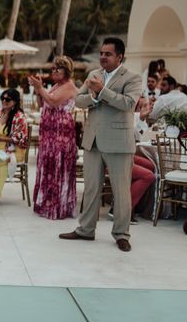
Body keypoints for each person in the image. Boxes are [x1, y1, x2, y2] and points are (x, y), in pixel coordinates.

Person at [59, 37, 141, 252]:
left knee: (121, 190)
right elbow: (78, 100)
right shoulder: (93, 75)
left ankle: (121, 234)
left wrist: (102, 91)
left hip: (119, 143)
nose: (103, 57)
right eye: (102, 53)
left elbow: (129, 104)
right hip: (93, 140)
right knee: (91, 188)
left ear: (119, 56)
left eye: (108, 54)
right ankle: (86, 230)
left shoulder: (132, 78)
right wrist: (94, 96)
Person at [29, 56, 79, 220]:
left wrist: (40, 88)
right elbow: (43, 103)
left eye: (59, 68)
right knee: (49, 164)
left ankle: (58, 206)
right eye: (53, 68)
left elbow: (53, 101)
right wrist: (39, 90)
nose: (54, 71)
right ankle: (47, 201)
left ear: (67, 70)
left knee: (58, 165)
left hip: (61, 131)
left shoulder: (69, 86)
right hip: (50, 131)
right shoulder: (57, 85)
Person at [0, 89, 28, 201]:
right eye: (2, 98)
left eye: (7, 99)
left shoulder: (20, 117)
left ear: (15, 101)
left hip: (13, 151)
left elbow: (20, 138)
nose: (4, 100)